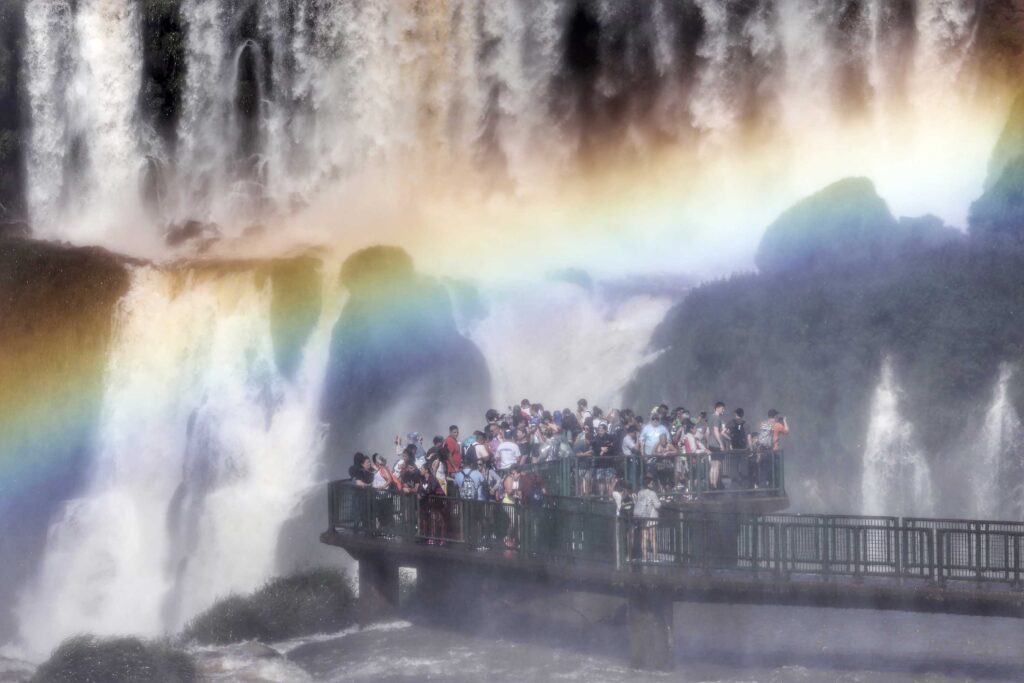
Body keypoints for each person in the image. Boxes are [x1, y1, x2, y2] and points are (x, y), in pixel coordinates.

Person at [633, 476, 661, 561]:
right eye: (652, 483)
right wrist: (660, 503)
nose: (653, 484)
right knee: (653, 538)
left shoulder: (640, 493)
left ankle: (644, 557)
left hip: (643, 517)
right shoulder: (652, 493)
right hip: (651, 518)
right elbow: (657, 505)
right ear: (649, 484)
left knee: (644, 538)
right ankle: (655, 558)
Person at [707, 402, 728, 489]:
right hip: (716, 445)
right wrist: (721, 444)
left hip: (711, 444)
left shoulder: (710, 417)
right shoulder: (717, 418)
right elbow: (716, 431)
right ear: (718, 408)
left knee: (713, 465)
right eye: (723, 408)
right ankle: (714, 485)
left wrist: (708, 442)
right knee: (717, 465)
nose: (724, 410)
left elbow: (708, 432)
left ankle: (712, 484)